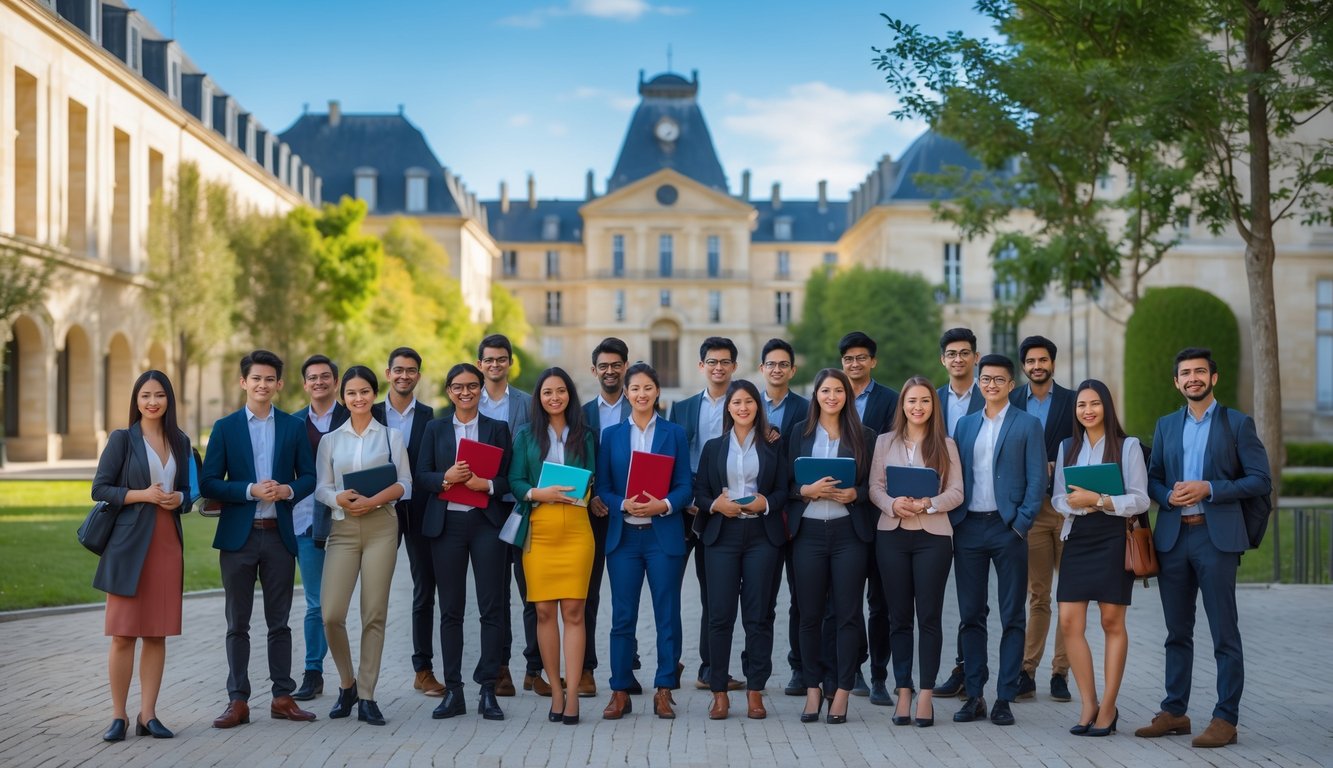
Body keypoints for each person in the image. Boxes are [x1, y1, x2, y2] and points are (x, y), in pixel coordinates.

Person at [1135, 347, 1271, 749]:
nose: (1192, 378)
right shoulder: (1165, 426)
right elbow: (1154, 477)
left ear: (1214, 378)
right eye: (1185, 373)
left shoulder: (1237, 424)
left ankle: (1225, 718)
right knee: (1177, 632)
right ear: (1176, 382)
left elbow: (1260, 480)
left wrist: (1209, 488)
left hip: (1217, 539)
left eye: (1200, 372)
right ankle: (1174, 711)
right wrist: (1166, 494)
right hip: (1174, 539)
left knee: (1223, 632)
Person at [201, 350, 318, 728]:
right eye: (256, 379)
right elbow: (208, 482)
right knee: (237, 622)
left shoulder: (292, 426)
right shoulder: (225, 427)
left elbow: (310, 477)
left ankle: (282, 697)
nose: (263, 385)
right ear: (243, 383)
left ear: (279, 385)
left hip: (279, 537)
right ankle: (238, 701)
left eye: (270, 379)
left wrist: (287, 490)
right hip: (239, 537)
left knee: (279, 622)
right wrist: (250, 489)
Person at [92, 370, 192, 742]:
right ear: (136, 401)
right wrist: (142, 495)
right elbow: (99, 488)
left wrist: (178, 498)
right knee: (122, 634)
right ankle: (118, 715)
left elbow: (188, 492)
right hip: (128, 545)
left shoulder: (180, 441)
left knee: (156, 634)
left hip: (167, 543)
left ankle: (148, 715)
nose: (153, 402)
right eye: (146, 395)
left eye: (160, 395)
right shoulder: (122, 439)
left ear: (169, 400)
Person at [950, 353, 1045, 727]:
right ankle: (974, 694)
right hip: (969, 528)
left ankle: (1005, 696)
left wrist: (1021, 524)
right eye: (985, 379)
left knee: (1012, 615)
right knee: (971, 615)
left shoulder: (1028, 424)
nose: (990, 385)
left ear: (1011, 385)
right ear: (979, 382)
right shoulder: (965, 426)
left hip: (1009, 529)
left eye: (998, 380)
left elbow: (1038, 481)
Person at [314, 366, 412, 726]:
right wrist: (339, 498)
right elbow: (321, 488)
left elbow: (406, 483)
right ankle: (347, 683)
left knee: (374, 613)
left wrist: (373, 501)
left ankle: (368, 695)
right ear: (344, 397)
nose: (359, 398)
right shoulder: (331, 440)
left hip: (381, 527)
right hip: (343, 528)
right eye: (352, 393)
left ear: (375, 394)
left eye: (365, 392)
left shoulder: (391, 437)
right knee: (331, 614)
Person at [1052, 379, 1150, 737]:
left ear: (1106, 406)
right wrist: (1074, 505)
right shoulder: (1068, 447)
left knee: (1111, 622)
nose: (1088, 410)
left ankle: (1108, 707)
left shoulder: (1127, 447)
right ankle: (1088, 703)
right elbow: (1058, 498)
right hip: (1078, 537)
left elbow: (1140, 498)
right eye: (1081, 405)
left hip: (1113, 537)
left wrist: (1099, 500)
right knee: (1068, 623)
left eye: (1094, 403)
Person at [416, 363, 514, 721]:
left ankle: (488, 689)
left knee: (492, 608)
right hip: (447, 526)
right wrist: (446, 477)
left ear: (481, 390)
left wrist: (484, 484)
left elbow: (508, 480)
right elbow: (420, 476)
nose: (466, 392)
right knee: (451, 610)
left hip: (486, 524)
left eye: (473, 386)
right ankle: (454, 691)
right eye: (458, 387)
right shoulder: (435, 428)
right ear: (449, 391)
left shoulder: (497, 429)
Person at [596, 363, 693, 720]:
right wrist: (621, 503)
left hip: (661, 537)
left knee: (668, 615)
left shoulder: (674, 434)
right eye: (634, 388)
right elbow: (603, 486)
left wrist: (663, 505)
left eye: (648, 388)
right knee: (622, 617)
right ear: (626, 393)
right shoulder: (612, 436)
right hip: (624, 539)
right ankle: (620, 690)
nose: (641, 394)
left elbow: (685, 485)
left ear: (657, 392)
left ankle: (664, 689)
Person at [868, 375, 965, 729]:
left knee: (929, 617)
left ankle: (925, 692)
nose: (918, 407)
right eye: (912, 401)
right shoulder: (884, 442)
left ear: (932, 406)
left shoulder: (946, 445)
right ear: (903, 405)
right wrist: (893, 504)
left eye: (924, 400)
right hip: (892, 534)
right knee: (898, 618)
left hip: (933, 537)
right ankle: (903, 689)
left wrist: (927, 504)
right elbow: (875, 488)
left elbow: (957, 492)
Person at [692, 379, 789, 720]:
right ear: (728, 408)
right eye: (737, 402)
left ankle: (755, 691)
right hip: (722, 537)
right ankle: (719, 691)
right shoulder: (713, 447)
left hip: (762, 536)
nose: (743, 407)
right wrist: (717, 505)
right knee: (720, 617)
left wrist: (765, 503)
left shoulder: (774, 445)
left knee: (758, 617)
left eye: (749, 402)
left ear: (757, 407)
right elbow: (700, 492)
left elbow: (783, 491)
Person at [507, 367, 598, 724]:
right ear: (539, 398)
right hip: (540, 528)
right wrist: (536, 493)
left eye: (561, 391)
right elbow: (514, 479)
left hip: (576, 528)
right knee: (544, 612)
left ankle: (573, 693)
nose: (554, 397)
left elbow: (593, 475)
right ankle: (555, 692)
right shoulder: (526, 435)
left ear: (569, 396)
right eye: (547, 392)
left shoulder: (585, 435)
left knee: (574, 612)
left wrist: (583, 490)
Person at [787, 368, 876, 725]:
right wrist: (803, 492)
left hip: (847, 534)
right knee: (808, 615)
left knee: (848, 614)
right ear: (816, 396)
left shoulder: (864, 436)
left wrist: (857, 493)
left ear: (846, 396)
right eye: (825, 390)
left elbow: (874, 485)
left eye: (838, 391)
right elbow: (785, 483)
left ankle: (840, 691)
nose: (832, 396)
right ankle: (812, 688)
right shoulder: (799, 434)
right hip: (808, 533)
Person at [669, 336, 741, 691]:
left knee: (715, 593)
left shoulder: (743, 406)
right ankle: (671, 663)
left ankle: (711, 668)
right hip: (683, 508)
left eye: (725, 362)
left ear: (734, 367)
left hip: (722, 507)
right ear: (701, 366)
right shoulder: (681, 408)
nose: (718, 367)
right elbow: (669, 458)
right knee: (669, 588)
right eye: (712, 361)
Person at [1010, 336, 1075, 703]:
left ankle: (1061, 673)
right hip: (1032, 511)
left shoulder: (1071, 400)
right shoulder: (1013, 400)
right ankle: (1027, 670)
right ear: (1023, 366)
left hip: (1069, 509)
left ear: (1053, 362)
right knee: (1038, 595)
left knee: (1069, 595)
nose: (1037, 365)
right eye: (1031, 361)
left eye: (1043, 359)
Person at [370, 348, 438, 696]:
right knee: (372, 591)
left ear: (418, 376)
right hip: (379, 509)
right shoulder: (369, 411)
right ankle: (363, 675)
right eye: (398, 370)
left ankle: (422, 668)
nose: (404, 376)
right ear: (387, 373)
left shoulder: (431, 417)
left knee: (424, 590)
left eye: (411, 371)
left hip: (421, 511)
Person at [838, 331, 898, 704]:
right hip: (840, 514)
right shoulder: (834, 397)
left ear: (873, 361)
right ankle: (852, 667)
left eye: (861, 358)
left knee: (881, 601)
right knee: (846, 599)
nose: (855, 364)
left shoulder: (891, 400)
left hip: (879, 511)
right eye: (848, 359)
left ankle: (879, 674)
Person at [290, 354, 350, 702]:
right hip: (305, 521)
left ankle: (350, 675)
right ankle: (314, 671)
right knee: (316, 602)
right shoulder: (294, 423)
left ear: (336, 381)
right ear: (304, 384)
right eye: (312, 377)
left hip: (347, 519)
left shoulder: (354, 417)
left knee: (336, 606)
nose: (319, 382)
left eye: (325, 376)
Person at [477, 334, 533, 698]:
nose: (495, 365)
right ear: (480, 363)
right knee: (495, 594)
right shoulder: (467, 398)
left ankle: (535, 667)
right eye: (489, 360)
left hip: (522, 504)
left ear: (510, 362)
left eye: (502, 359)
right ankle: (500, 668)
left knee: (531, 590)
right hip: (485, 506)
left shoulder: (528, 404)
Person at [579, 337, 631, 696]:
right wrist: (592, 496)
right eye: (604, 366)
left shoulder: (645, 404)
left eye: (617, 365)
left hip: (637, 511)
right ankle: (586, 667)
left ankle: (629, 662)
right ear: (594, 370)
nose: (610, 371)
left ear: (625, 367)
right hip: (594, 512)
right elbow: (578, 460)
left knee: (630, 594)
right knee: (589, 594)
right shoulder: (581, 414)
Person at [934, 328, 983, 699]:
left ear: (975, 357)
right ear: (943, 360)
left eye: (964, 353)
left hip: (977, 511)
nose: (958, 359)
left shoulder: (993, 395)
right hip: (932, 510)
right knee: (936, 599)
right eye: (951, 354)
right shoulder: (931, 400)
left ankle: (969, 670)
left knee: (973, 602)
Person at [759, 338, 810, 697]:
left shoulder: (807, 410)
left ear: (792, 370)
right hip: (756, 514)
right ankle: (755, 669)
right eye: (770, 364)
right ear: (762, 369)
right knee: (760, 599)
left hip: (792, 514)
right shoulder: (744, 405)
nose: (776, 370)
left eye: (783, 364)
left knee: (800, 597)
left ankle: (799, 666)